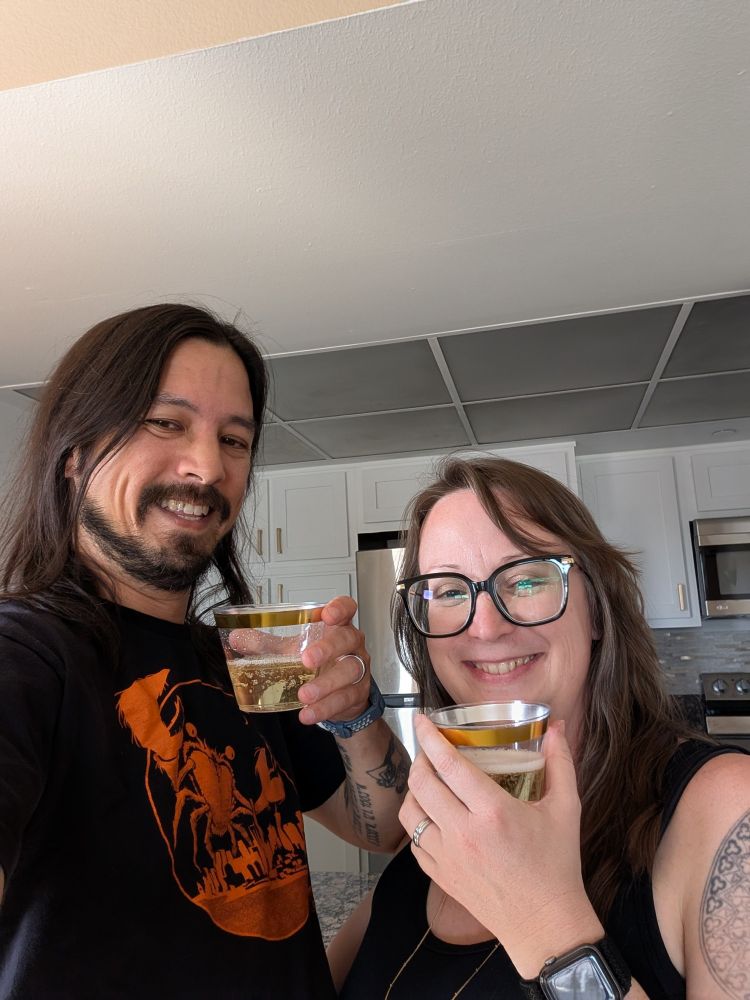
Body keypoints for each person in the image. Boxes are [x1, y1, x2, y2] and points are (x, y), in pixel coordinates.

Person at [0, 303, 409, 999]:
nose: (208, 466)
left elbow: (385, 831)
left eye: (235, 439)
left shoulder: (241, 664)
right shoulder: (27, 654)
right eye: (166, 423)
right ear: (74, 453)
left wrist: (355, 715)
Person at [330, 456, 750, 999]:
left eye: (527, 579)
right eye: (449, 591)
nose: (486, 627)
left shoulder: (726, 808)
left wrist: (541, 918)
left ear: (596, 609)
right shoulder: (436, 831)